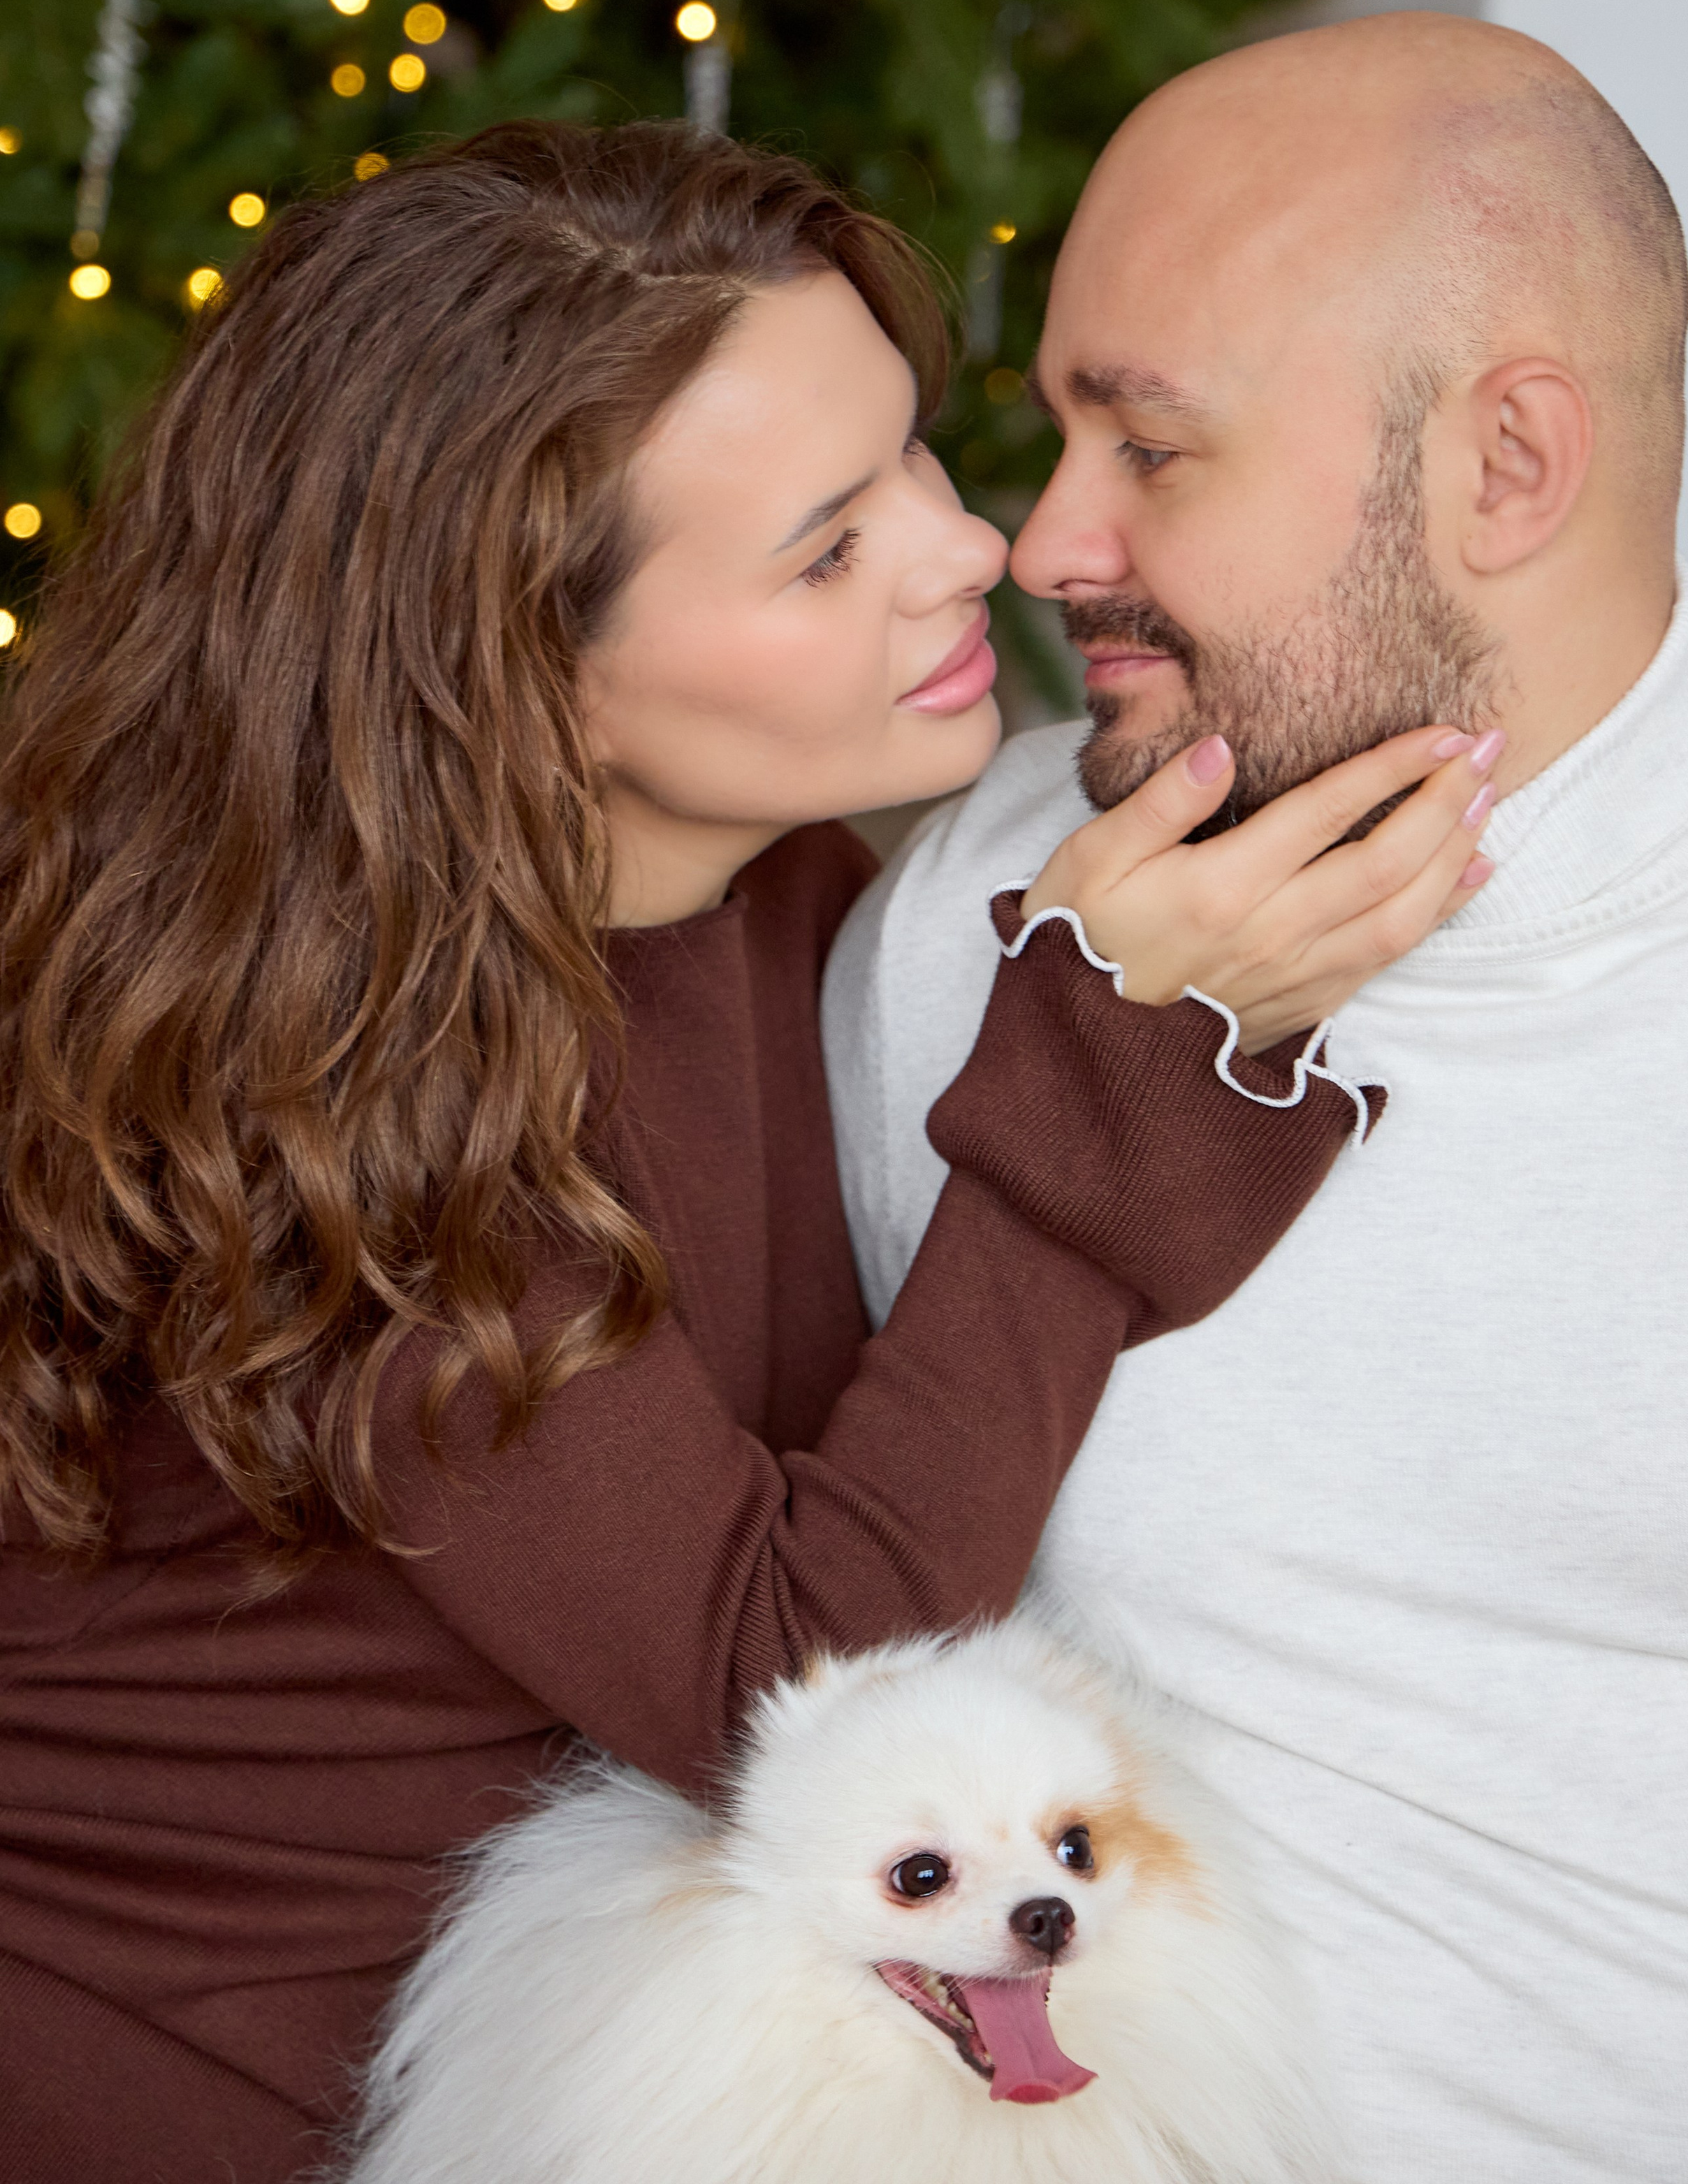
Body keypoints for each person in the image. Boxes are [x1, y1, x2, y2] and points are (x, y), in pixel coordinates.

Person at [0, 119, 1490, 2184]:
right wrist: (1116, 1059)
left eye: (909, 457)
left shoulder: (776, 897)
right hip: (151, 2088)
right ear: (522, 676)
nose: (968, 549)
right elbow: (795, 1700)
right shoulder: (344, 1073)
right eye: (824, 548)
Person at [824, 13, 1688, 2184]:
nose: (1041, 543)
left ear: (1507, 467)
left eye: (1149, 450)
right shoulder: (975, 911)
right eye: (1055, 435)